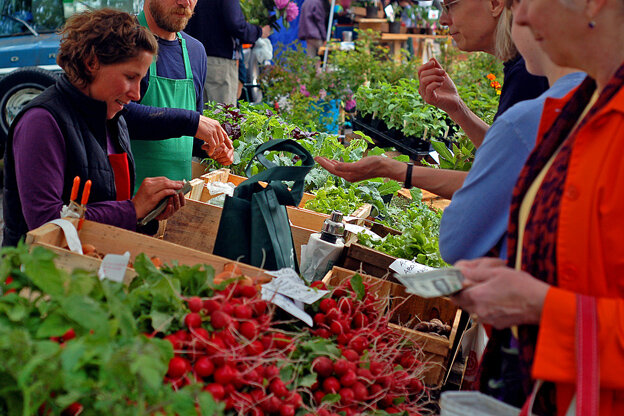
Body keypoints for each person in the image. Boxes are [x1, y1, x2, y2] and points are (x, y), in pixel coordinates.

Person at [452, 0, 624, 414]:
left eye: (525, 1)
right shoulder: (579, 110)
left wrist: (542, 306)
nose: (521, 19)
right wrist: (515, 280)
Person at [2, 9, 187, 246]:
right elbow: (46, 223)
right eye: (130, 77)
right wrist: (133, 209)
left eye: (141, 80)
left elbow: (108, 207)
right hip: (40, 276)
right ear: (91, 63)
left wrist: (146, 215)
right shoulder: (41, 121)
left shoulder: (114, 118)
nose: (137, 93)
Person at [127, 0, 232, 193]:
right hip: (124, 205)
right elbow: (117, 115)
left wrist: (212, 146)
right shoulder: (124, 40)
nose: (185, 2)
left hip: (177, 203)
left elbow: (189, 135)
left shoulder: (195, 51)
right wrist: (192, 122)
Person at [185, 0, 271, 106]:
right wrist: (259, 31)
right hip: (220, 62)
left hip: (192, 59)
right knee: (223, 116)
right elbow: (236, 24)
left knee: (200, 115)